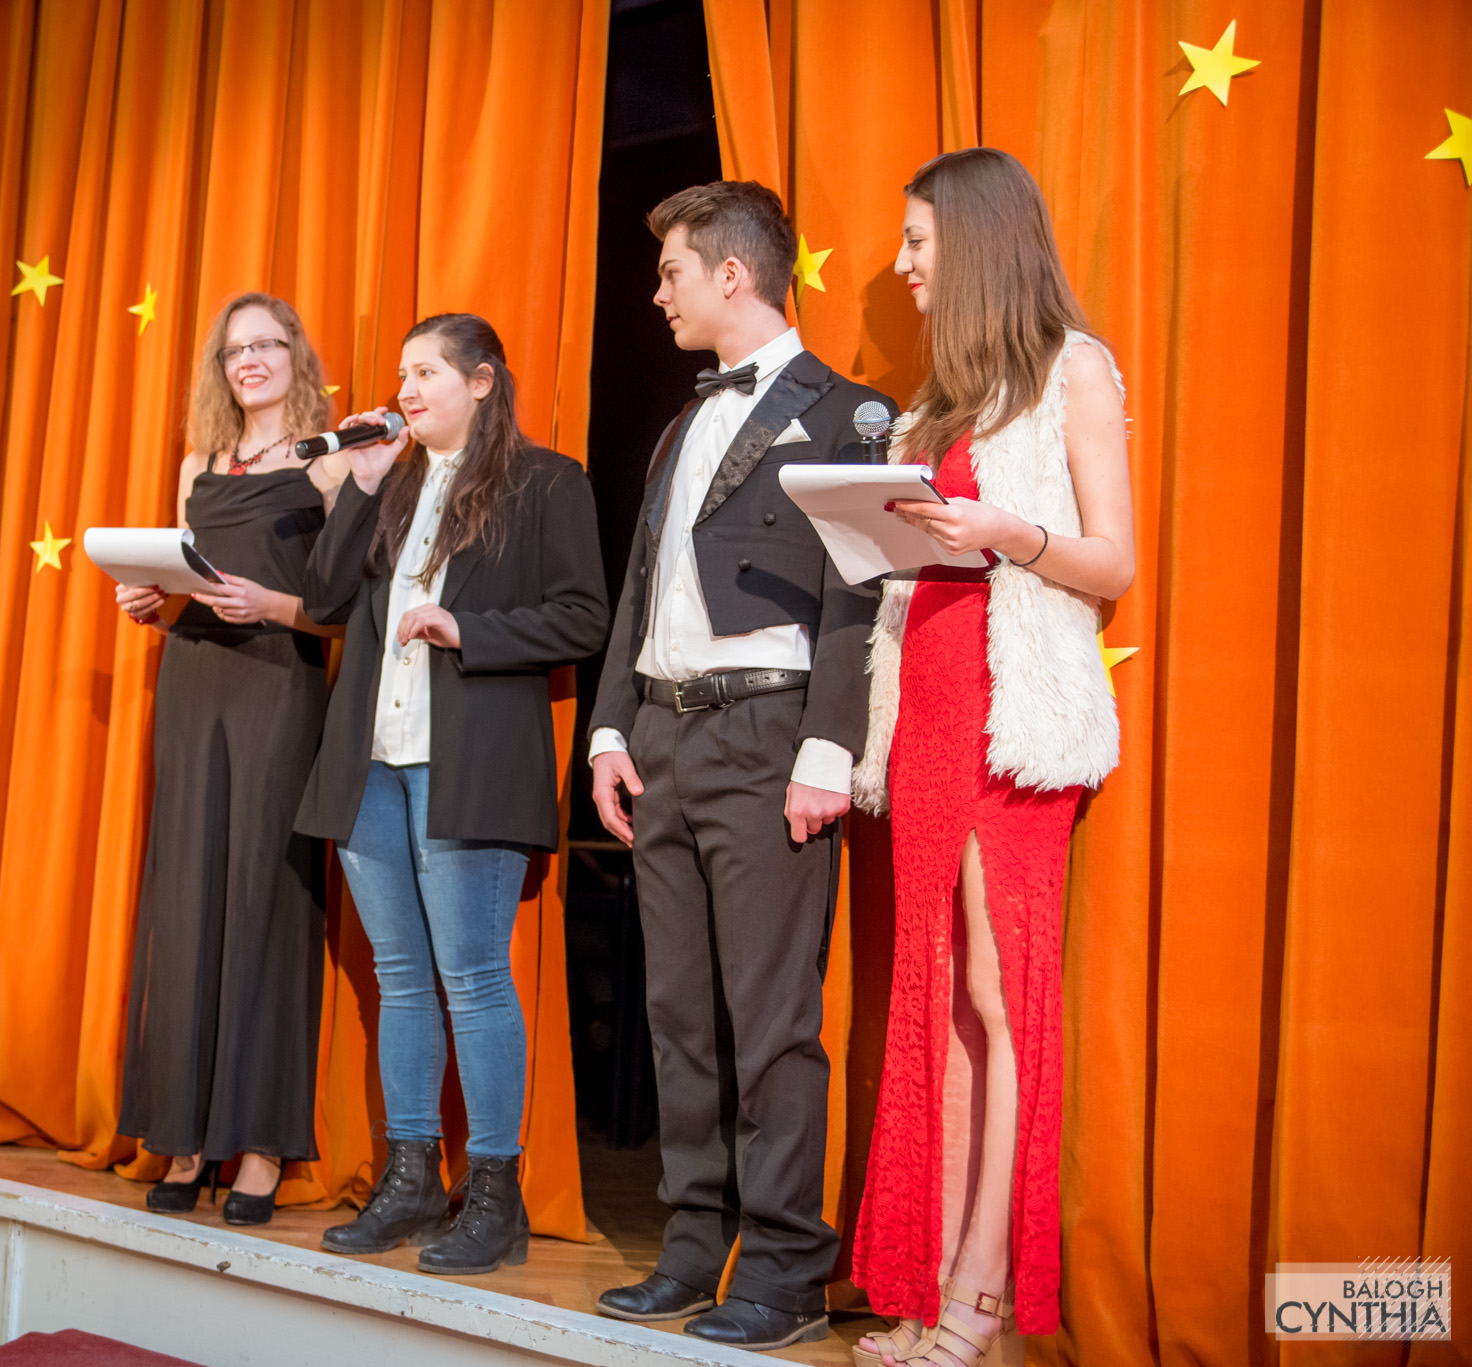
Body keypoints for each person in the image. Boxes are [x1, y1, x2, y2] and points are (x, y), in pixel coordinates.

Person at [585, 180, 896, 1351]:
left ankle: (782, 1265)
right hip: (663, 735)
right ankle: (690, 1243)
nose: (656, 294)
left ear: (730, 274)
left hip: (768, 736)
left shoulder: (846, 411)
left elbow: (861, 592)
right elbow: (641, 588)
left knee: (769, 1020)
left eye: (670, 271)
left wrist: (826, 747)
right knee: (676, 1011)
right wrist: (609, 730)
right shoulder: (679, 425)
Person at [848, 148, 1134, 1367]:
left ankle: (980, 1291)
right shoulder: (939, 401)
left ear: (972, 242)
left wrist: (1010, 530)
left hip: (1007, 716)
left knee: (997, 994)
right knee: (937, 993)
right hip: (924, 706)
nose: (901, 264)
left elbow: (1112, 560)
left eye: (916, 241)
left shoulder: (1074, 367)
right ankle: (928, 1278)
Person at [294, 313, 608, 1276]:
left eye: (426, 371)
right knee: (400, 976)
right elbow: (324, 598)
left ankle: (496, 1194)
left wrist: (469, 629)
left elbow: (584, 616)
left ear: (482, 380)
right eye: (402, 373)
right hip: (372, 764)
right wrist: (360, 483)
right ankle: (410, 1176)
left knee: (472, 976)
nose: (406, 389)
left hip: (468, 763)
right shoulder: (390, 483)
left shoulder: (546, 481)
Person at [113, 292, 349, 1227]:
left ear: (296, 354)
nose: (249, 360)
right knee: (188, 900)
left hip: (280, 685)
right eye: (234, 350)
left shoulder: (329, 460)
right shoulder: (197, 466)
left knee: (263, 900)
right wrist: (152, 602)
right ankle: (180, 1136)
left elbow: (345, 606)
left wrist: (274, 606)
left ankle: (257, 1145)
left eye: (266, 344)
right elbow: (190, 585)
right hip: (194, 681)